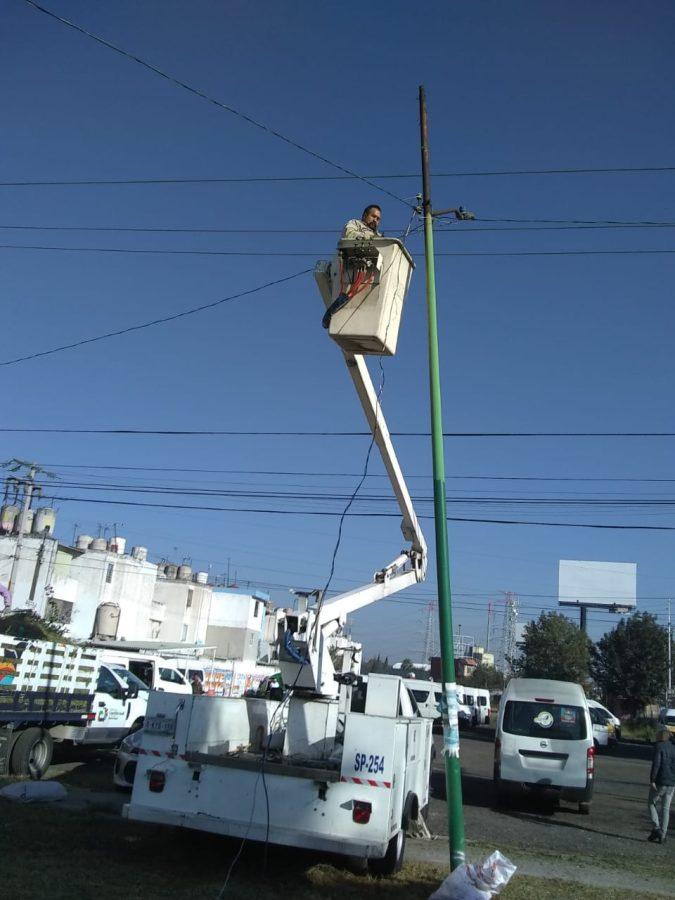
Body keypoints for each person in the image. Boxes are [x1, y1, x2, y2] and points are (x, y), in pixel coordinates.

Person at [648, 725, 675, 843]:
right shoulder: (673, 748)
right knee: (666, 808)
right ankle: (663, 835)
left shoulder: (658, 747)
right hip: (672, 783)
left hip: (660, 781)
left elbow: (657, 764)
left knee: (651, 803)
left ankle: (656, 828)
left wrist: (652, 780)